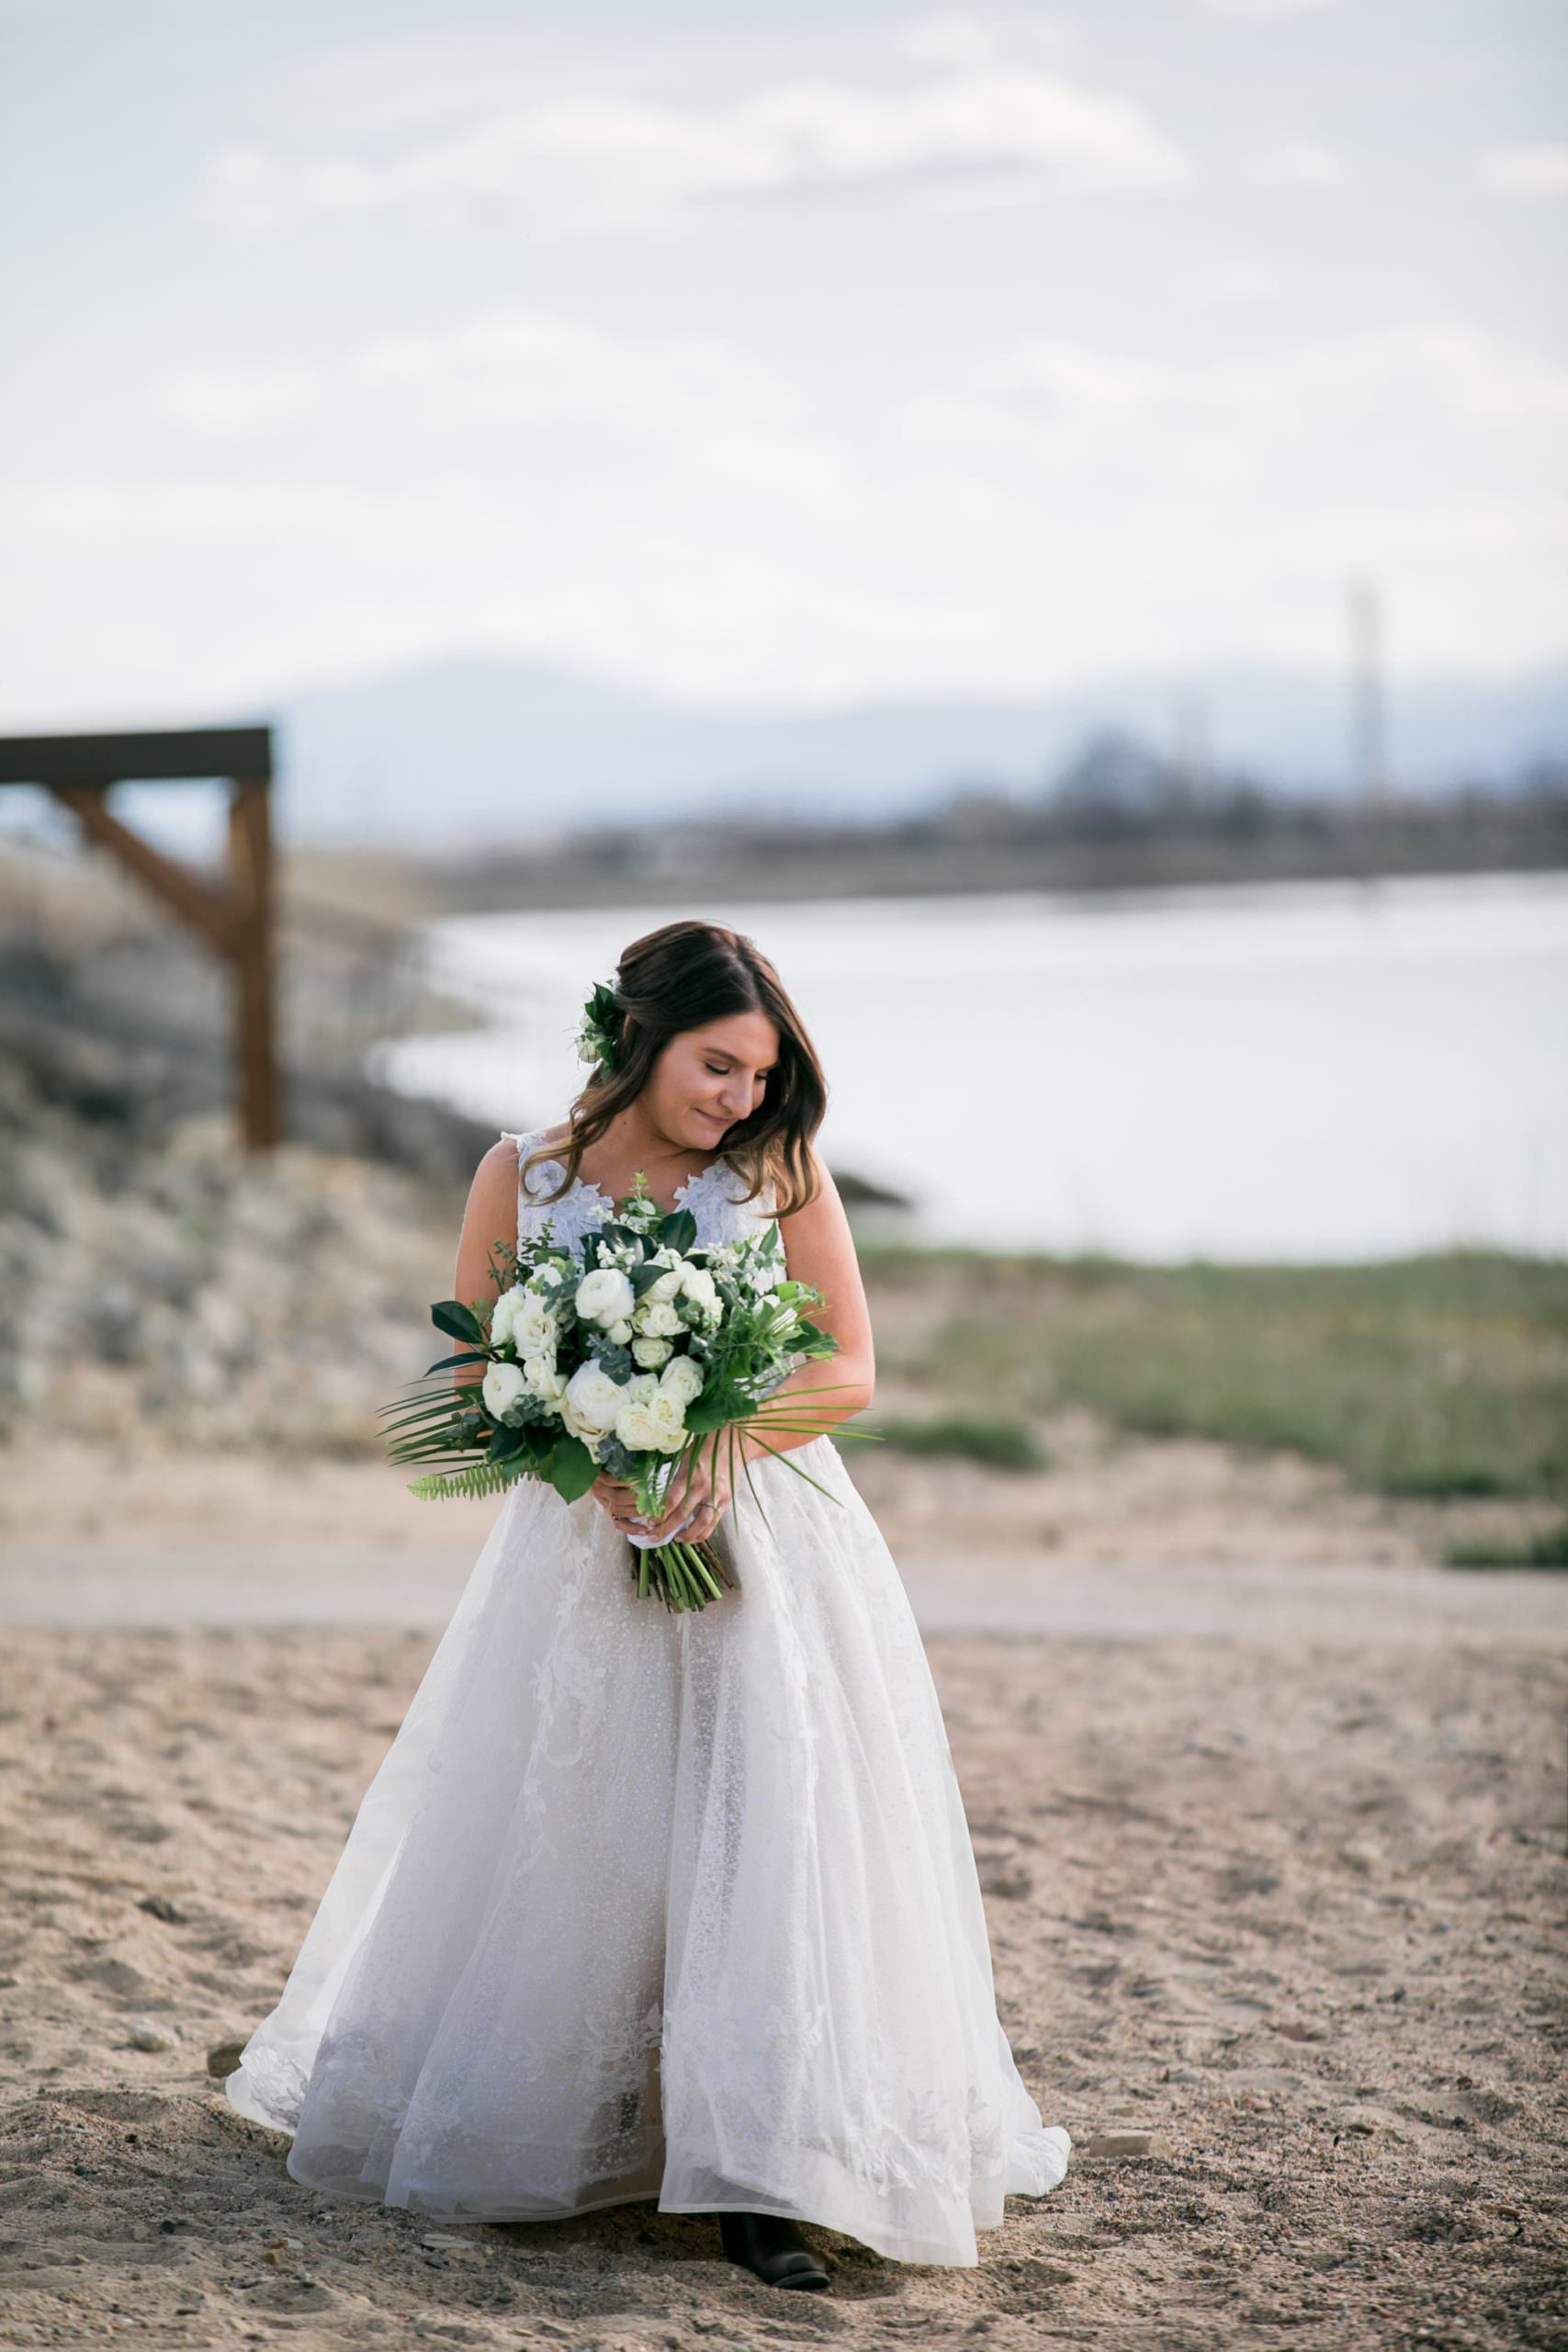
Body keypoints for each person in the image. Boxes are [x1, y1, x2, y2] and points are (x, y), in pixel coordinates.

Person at [224, 917, 1070, 2290]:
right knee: (594, 1833)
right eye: (716, 1065)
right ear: (639, 1037)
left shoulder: (775, 1171)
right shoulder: (525, 1173)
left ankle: (766, 2174)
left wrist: (718, 1437)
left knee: (767, 1826)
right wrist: (587, 1447)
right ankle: (589, 2126)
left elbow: (851, 1367)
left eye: (758, 1072)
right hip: (583, 1551)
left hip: (770, 1543)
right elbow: (473, 1372)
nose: (738, 1097)